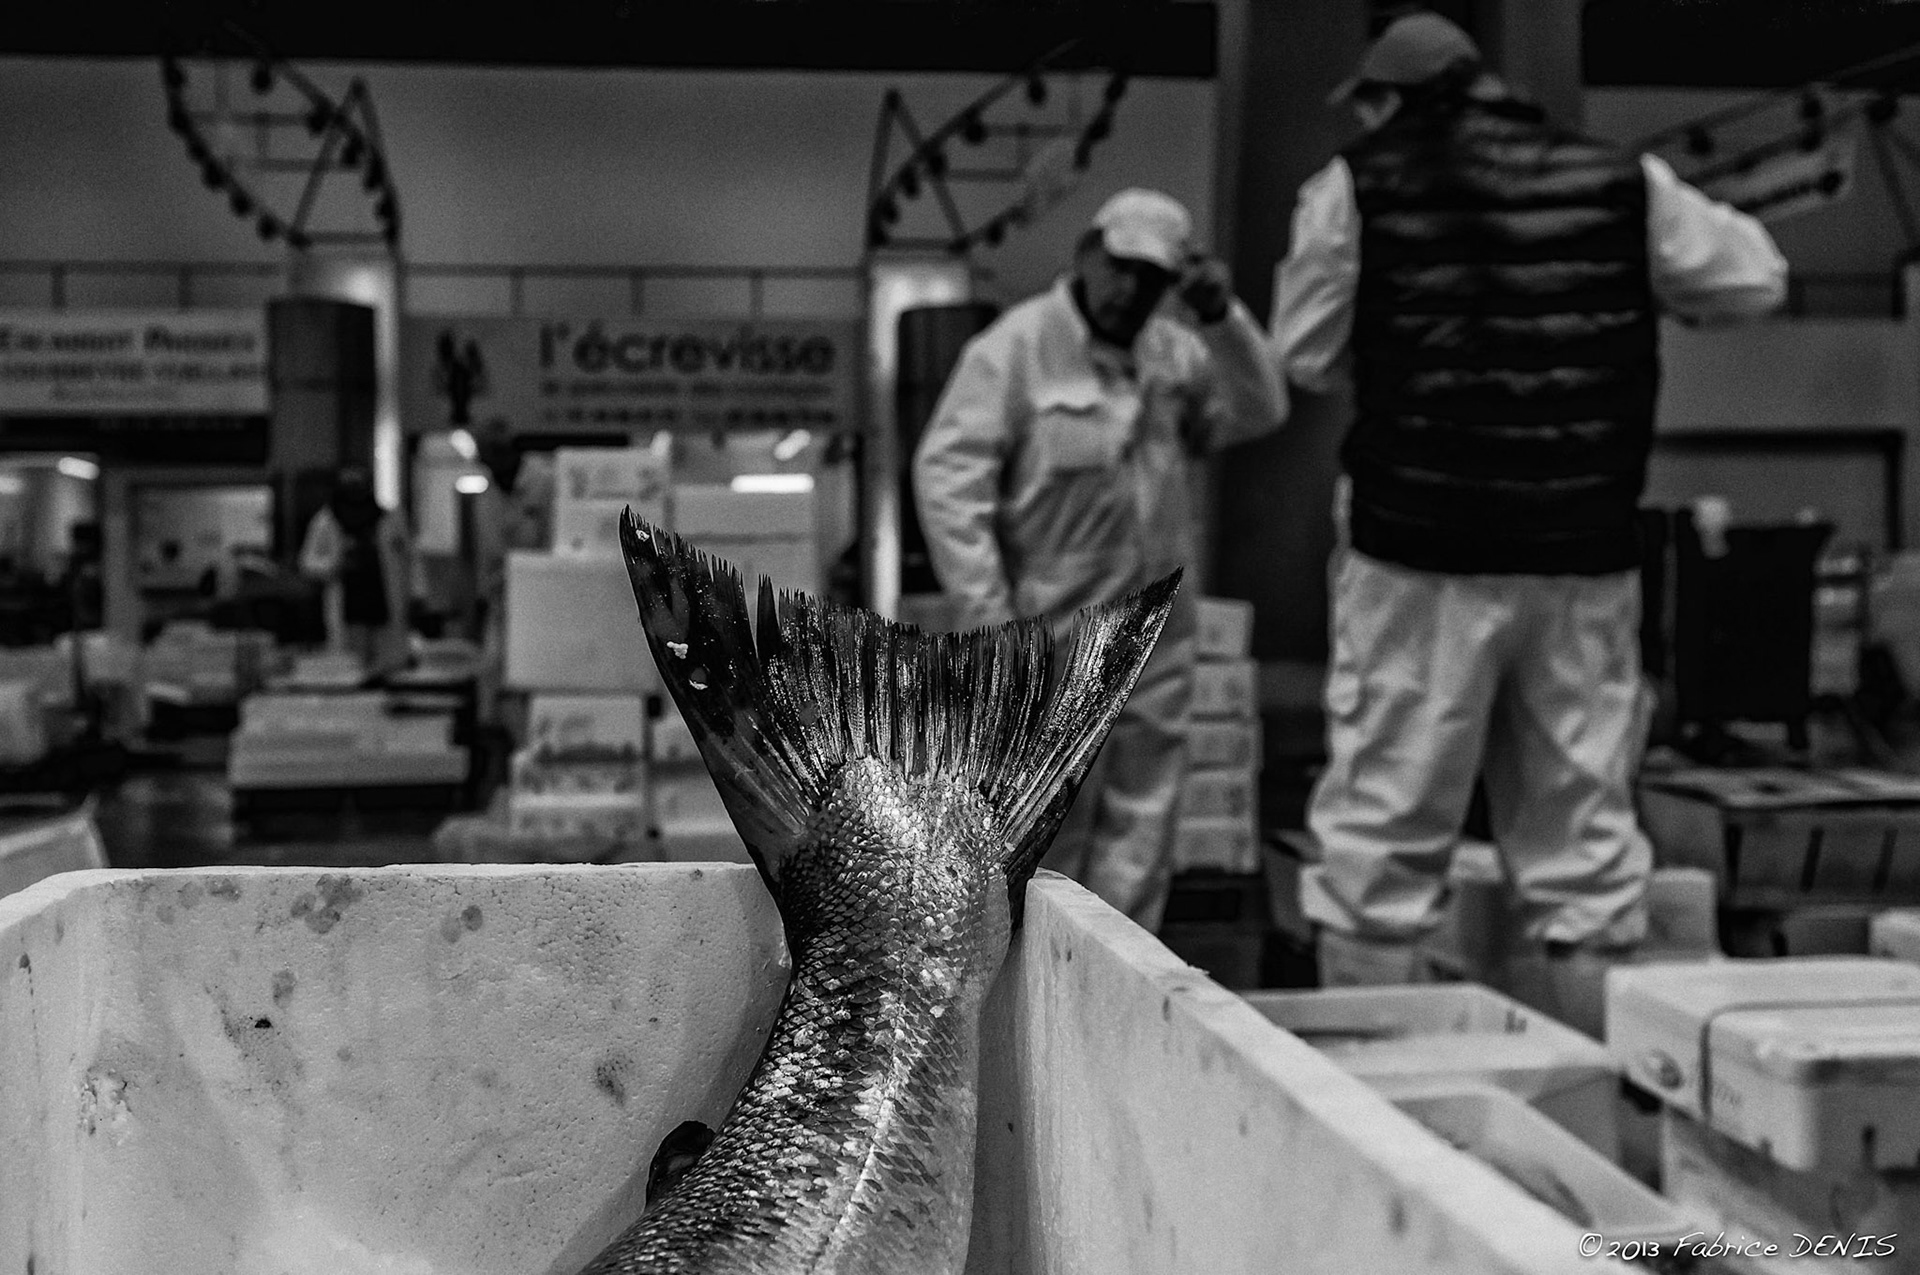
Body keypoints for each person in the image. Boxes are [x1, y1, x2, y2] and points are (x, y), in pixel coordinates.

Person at [1268, 12, 1788, 1006]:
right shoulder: (1621, 177)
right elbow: (1756, 277)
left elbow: (1304, 351)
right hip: (1581, 552)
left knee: (1382, 842)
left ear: (1388, 102)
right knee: (1584, 851)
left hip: (1417, 553)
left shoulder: (1354, 186)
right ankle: (1584, 1104)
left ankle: (1380, 1100)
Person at [913, 189, 1290, 931]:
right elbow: (948, 478)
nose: (1130, 292)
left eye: (1152, 280)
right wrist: (989, 618)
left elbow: (1262, 406)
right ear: (1086, 252)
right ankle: (1031, 993)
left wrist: (1225, 319)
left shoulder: (1176, 351)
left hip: (1156, 633)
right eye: (1120, 269)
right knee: (1047, 825)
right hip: (1051, 632)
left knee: (1144, 819)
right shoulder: (1016, 348)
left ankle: (1117, 974)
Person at [299, 466, 413, 673]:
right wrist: (335, 563)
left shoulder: (389, 518)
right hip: (348, 602)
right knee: (351, 665)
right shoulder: (326, 521)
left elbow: (409, 559)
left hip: (382, 600)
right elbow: (308, 562)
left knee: (386, 664)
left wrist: (415, 595)